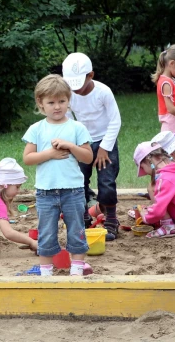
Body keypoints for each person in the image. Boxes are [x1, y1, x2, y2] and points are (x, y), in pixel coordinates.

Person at [22, 74, 93, 276]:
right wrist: (50, 154)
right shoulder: (36, 129)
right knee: (46, 232)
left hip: (73, 190)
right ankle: (46, 272)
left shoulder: (77, 127)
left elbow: (88, 157)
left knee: (76, 230)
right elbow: (28, 158)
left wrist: (71, 146)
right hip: (45, 192)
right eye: (51, 102)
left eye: (62, 101)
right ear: (41, 103)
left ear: (69, 100)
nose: (57, 106)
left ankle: (77, 270)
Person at [62, 53, 122, 241]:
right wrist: (76, 143)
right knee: (79, 182)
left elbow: (115, 120)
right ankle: (83, 216)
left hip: (106, 142)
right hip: (83, 143)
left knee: (107, 183)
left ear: (91, 75)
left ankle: (111, 219)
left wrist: (104, 147)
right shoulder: (69, 94)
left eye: (80, 82)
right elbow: (68, 118)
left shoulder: (103, 92)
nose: (76, 88)